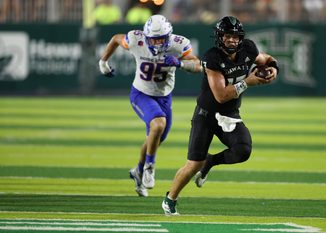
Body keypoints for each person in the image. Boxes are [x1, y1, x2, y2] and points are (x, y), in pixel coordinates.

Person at [162, 16, 279, 215]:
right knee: (193, 164)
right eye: (228, 36)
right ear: (219, 37)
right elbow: (221, 95)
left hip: (230, 114)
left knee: (243, 150)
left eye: (235, 36)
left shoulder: (249, 49)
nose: (232, 40)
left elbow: (266, 59)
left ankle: (211, 161)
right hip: (206, 115)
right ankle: (170, 198)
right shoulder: (212, 57)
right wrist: (248, 82)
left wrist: (273, 70)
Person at [98, 14, 202, 197]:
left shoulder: (178, 44)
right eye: (153, 39)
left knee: (155, 139)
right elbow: (116, 39)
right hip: (141, 94)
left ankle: (138, 171)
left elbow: (198, 65)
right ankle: (149, 167)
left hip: (164, 98)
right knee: (158, 124)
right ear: (146, 37)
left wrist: (180, 63)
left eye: (161, 39)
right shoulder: (136, 39)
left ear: (169, 36)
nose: (157, 43)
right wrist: (103, 62)